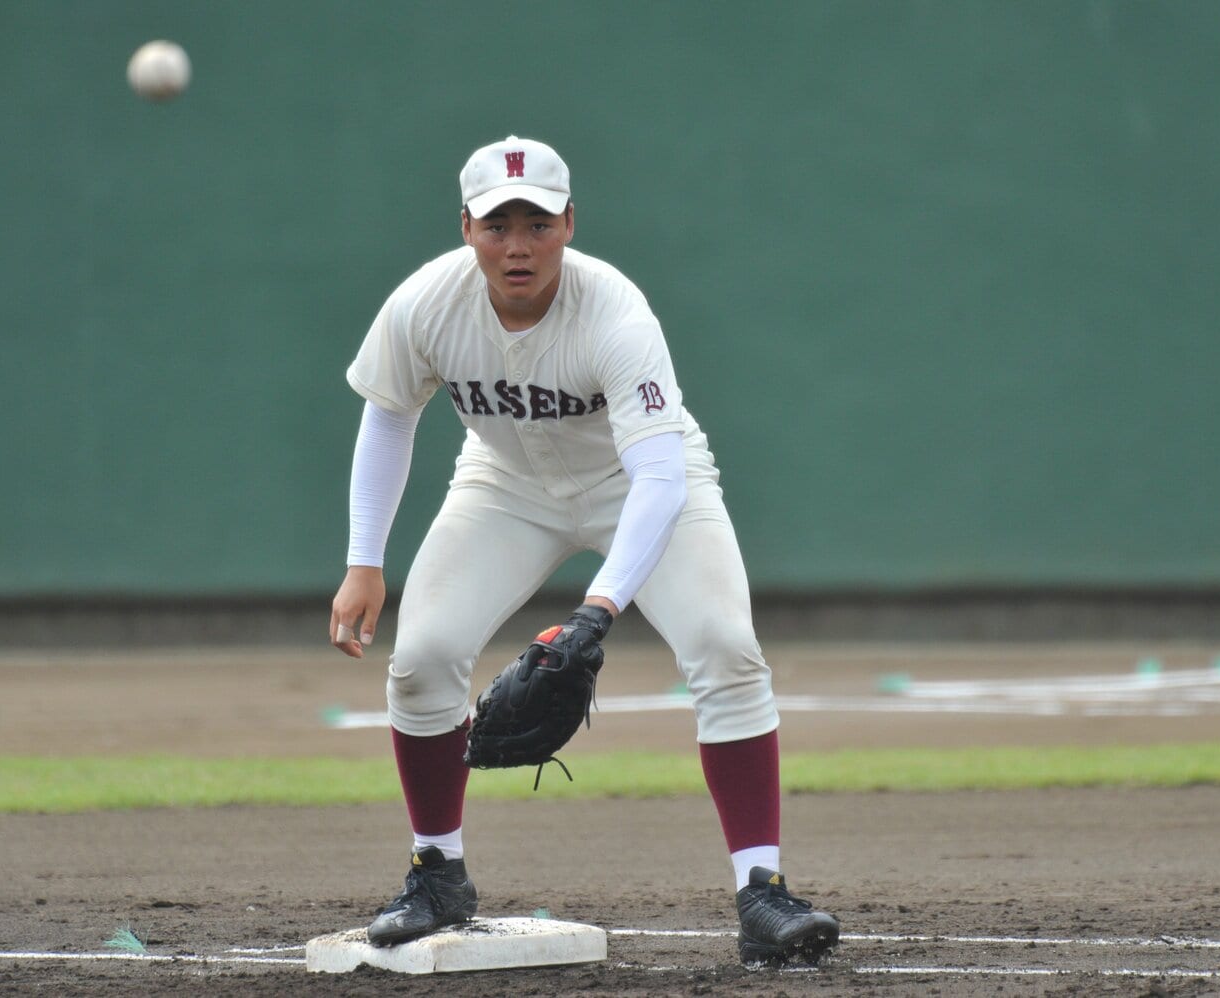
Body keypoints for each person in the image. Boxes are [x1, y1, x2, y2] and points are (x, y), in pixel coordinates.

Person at [327, 135, 839, 966]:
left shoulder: (615, 311)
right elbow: (389, 413)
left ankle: (762, 893)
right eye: (498, 224)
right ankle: (437, 874)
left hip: (640, 484)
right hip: (504, 484)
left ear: (570, 222)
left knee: (724, 647)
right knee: (421, 657)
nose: (518, 244)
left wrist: (595, 612)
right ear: (466, 228)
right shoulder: (426, 303)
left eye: (536, 222)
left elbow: (661, 479)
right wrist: (363, 559)